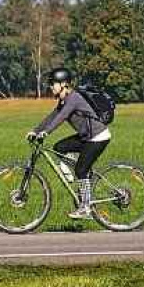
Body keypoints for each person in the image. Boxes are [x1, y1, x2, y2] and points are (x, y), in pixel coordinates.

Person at [28, 66, 111, 220]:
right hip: (86, 136)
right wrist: (36, 130)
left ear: (64, 84)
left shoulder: (73, 99)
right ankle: (83, 173)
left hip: (98, 137)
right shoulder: (63, 100)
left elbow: (61, 118)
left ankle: (85, 207)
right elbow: (53, 116)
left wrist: (46, 132)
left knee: (80, 170)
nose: (51, 87)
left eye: (53, 83)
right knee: (59, 148)